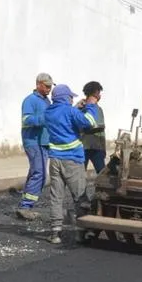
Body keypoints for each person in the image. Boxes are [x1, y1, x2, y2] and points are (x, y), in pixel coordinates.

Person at [44, 84, 101, 244]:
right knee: (80, 195)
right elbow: (89, 122)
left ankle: (55, 231)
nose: (71, 99)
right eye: (70, 97)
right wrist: (91, 105)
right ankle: (82, 230)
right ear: (64, 98)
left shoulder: (49, 111)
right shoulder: (70, 112)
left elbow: (64, 118)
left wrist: (76, 108)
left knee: (56, 196)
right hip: (72, 160)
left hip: (55, 159)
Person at [17, 72, 53, 220]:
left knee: (36, 173)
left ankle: (25, 205)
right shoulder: (30, 100)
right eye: (46, 86)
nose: (49, 89)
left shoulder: (46, 101)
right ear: (38, 84)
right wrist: (44, 118)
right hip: (33, 142)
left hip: (43, 142)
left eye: (50, 87)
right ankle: (25, 206)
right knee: (40, 173)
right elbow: (27, 119)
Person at [79, 81, 106, 173]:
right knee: (81, 174)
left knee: (102, 173)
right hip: (87, 146)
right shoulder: (83, 107)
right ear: (94, 94)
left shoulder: (96, 108)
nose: (99, 96)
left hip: (96, 146)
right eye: (98, 93)